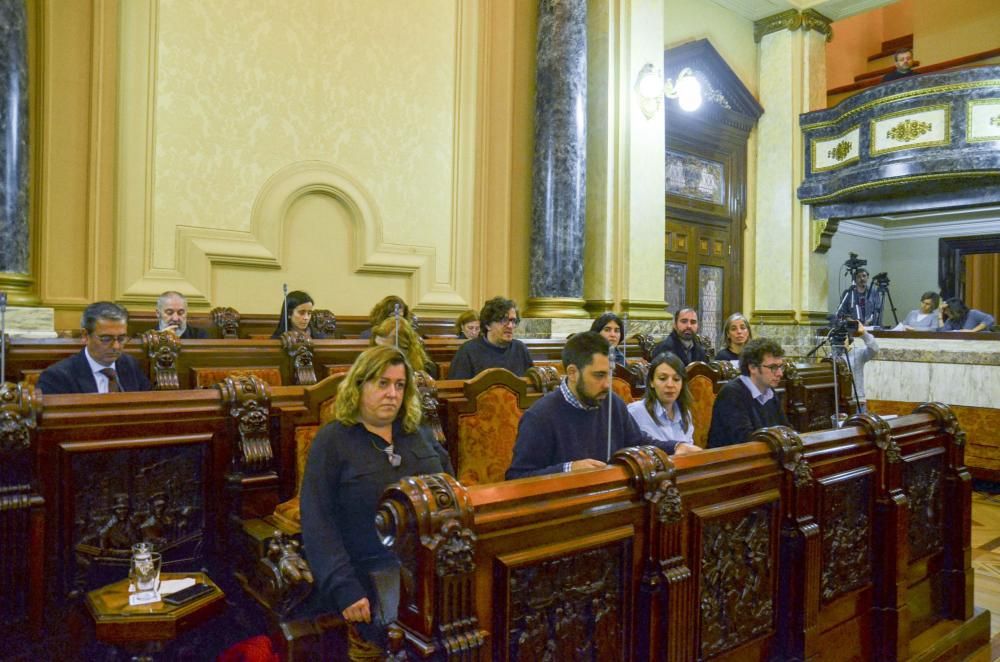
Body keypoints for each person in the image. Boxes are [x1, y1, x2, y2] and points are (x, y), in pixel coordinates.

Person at [299, 345, 453, 654]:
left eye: (399, 385)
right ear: (359, 386)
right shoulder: (333, 440)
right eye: (382, 383)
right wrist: (345, 588)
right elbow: (318, 522)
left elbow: (449, 489)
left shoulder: (416, 432)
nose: (392, 394)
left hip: (432, 568)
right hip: (368, 574)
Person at [505, 333, 699, 480]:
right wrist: (568, 469)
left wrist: (676, 447)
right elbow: (517, 477)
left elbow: (637, 441)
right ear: (572, 373)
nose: (607, 384)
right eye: (599, 375)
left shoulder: (612, 402)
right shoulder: (540, 416)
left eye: (609, 374)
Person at [37, 302, 152, 394]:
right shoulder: (58, 377)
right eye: (106, 339)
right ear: (85, 336)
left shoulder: (131, 365)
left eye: (121, 338)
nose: (116, 346)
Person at [707, 337, 790, 448]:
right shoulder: (731, 393)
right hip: (731, 461)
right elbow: (745, 442)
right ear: (752, 367)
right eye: (773, 367)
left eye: (781, 367)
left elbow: (785, 428)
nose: (780, 373)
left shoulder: (769, 391)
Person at [447, 296, 533, 379]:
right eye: (504, 320)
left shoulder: (520, 349)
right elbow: (456, 390)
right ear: (488, 325)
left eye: (513, 321)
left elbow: (531, 387)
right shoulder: (468, 351)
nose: (510, 326)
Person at [627, 352, 699, 450]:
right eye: (663, 378)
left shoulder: (685, 413)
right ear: (651, 382)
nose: (670, 385)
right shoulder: (635, 412)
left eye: (676, 379)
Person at [370, 317, 439, 379]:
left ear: (404, 348)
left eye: (386, 349)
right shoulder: (370, 365)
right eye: (377, 346)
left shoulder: (426, 369)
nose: (379, 352)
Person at [838, 322, 879, 412]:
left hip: (857, 403)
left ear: (849, 339)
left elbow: (875, 349)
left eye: (843, 338)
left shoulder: (859, 353)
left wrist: (864, 334)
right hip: (838, 404)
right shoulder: (831, 356)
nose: (841, 341)